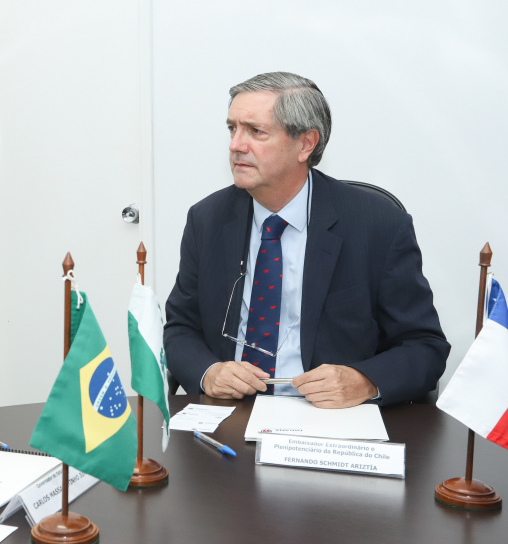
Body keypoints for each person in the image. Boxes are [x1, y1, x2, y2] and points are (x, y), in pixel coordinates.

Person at [164, 71, 449, 409]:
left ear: (306, 144)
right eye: (232, 128)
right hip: (231, 412)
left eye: (255, 131)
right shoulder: (207, 219)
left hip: (329, 416)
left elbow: (424, 346)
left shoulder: (378, 225)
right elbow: (181, 327)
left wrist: (364, 381)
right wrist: (208, 372)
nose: (235, 145)